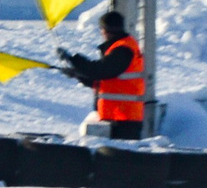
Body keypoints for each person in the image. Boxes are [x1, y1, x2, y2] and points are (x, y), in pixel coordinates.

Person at [55, 10, 146, 139]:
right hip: (118, 117)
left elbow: (100, 71)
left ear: (105, 30)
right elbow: (104, 79)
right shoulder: (123, 47)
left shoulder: (123, 49)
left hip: (124, 120)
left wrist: (73, 60)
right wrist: (77, 74)